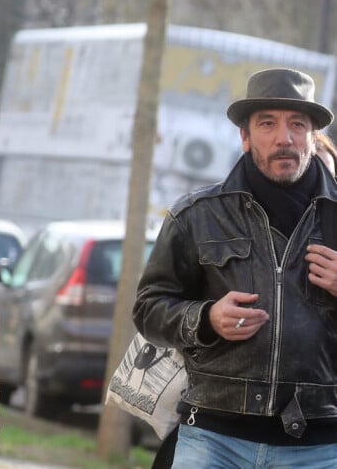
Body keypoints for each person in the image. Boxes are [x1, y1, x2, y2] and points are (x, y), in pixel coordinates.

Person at [133, 68, 337, 468]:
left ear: (312, 137)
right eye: (267, 124)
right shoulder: (196, 215)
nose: (284, 137)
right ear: (244, 137)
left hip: (319, 447)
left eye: (297, 124)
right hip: (213, 439)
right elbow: (148, 309)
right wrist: (206, 318)